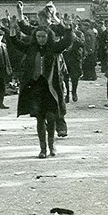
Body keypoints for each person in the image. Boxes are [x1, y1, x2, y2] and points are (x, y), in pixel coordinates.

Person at [9, 12, 73, 158]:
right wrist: (13, 29)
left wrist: (69, 27)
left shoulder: (54, 48)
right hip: (35, 88)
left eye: (44, 36)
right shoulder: (31, 49)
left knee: (51, 118)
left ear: (48, 36)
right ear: (35, 37)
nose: (41, 39)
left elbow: (67, 41)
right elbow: (15, 43)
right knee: (39, 118)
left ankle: (52, 146)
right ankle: (42, 149)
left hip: (51, 88)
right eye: (38, 37)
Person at [63, 21, 84, 103]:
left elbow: (82, 44)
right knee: (65, 77)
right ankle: (67, 94)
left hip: (75, 59)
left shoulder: (78, 34)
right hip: (65, 58)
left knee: (75, 77)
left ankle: (74, 92)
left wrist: (76, 39)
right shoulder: (63, 35)